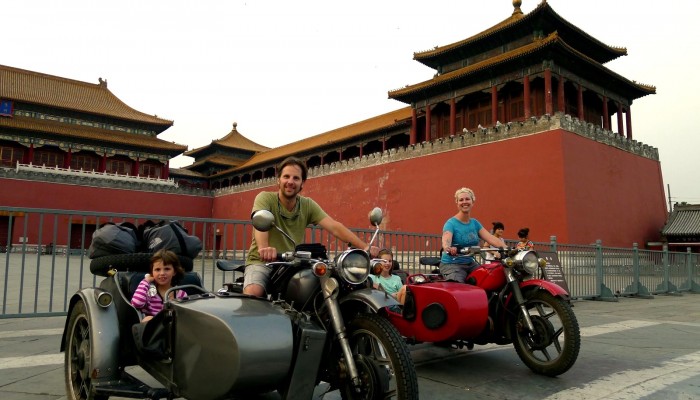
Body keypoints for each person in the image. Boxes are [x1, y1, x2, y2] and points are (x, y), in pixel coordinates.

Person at [244, 156, 379, 297]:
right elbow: (260, 223)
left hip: (292, 262)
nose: (290, 182)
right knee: (254, 292)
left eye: (296, 178)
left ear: (302, 183)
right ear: (278, 180)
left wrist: (364, 247)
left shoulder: (307, 204)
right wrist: (263, 248)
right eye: (286, 177)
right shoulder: (265, 198)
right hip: (263, 261)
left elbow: (334, 226)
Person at [441, 187, 506, 282]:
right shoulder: (451, 223)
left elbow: (492, 239)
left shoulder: (475, 223)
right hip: (452, 264)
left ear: (472, 201)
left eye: (467, 199)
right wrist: (448, 248)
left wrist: (510, 250)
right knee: (459, 288)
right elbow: (446, 239)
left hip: (470, 263)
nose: (464, 202)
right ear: (457, 203)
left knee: (489, 278)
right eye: (461, 200)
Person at [131, 249, 187, 322]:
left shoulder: (182, 294)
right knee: (148, 319)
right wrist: (146, 281)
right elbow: (136, 303)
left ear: (174, 272)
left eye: (167, 269)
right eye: (157, 270)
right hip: (153, 329)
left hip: (173, 328)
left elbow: (185, 317)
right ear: (152, 272)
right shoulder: (147, 291)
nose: (162, 273)